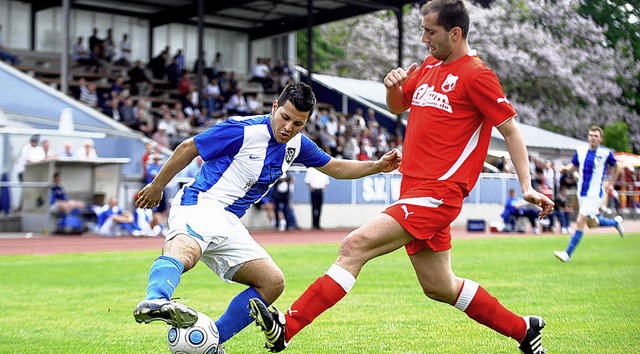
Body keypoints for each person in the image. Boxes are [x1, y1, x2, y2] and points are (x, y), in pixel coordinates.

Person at [248, 2, 554, 354]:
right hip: (414, 190)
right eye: (422, 30)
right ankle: (524, 330)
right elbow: (397, 105)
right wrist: (393, 86)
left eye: (430, 32)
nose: (423, 39)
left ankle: (288, 326)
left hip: (438, 194)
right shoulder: (428, 65)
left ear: (455, 33)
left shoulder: (477, 75)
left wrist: (527, 186)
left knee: (354, 247)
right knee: (439, 286)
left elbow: (511, 131)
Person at [131, 82, 401, 353]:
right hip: (201, 203)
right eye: (285, 117)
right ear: (275, 107)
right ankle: (155, 299)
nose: (288, 128)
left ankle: (212, 340)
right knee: (187, 251)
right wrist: (157, 186)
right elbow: (189, 146)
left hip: (230, 221)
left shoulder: (297, 144)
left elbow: (336, 167)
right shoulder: (242, 130)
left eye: (298, 123)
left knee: (272, 283)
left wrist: (376, 166)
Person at [554, 125, 624, 263]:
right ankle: (615, 222)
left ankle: (567, 254)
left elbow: (617, 166)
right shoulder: (581, 151)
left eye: (596, 136)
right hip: (582, 193)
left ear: (601, 139)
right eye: (591, 135)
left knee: (580, 221)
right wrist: (565, 169)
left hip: (595, 194)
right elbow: (573, 166)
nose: (593, 138)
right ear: (588, 137)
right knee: (591, 223)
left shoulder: (605, 153)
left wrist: (611, 184)